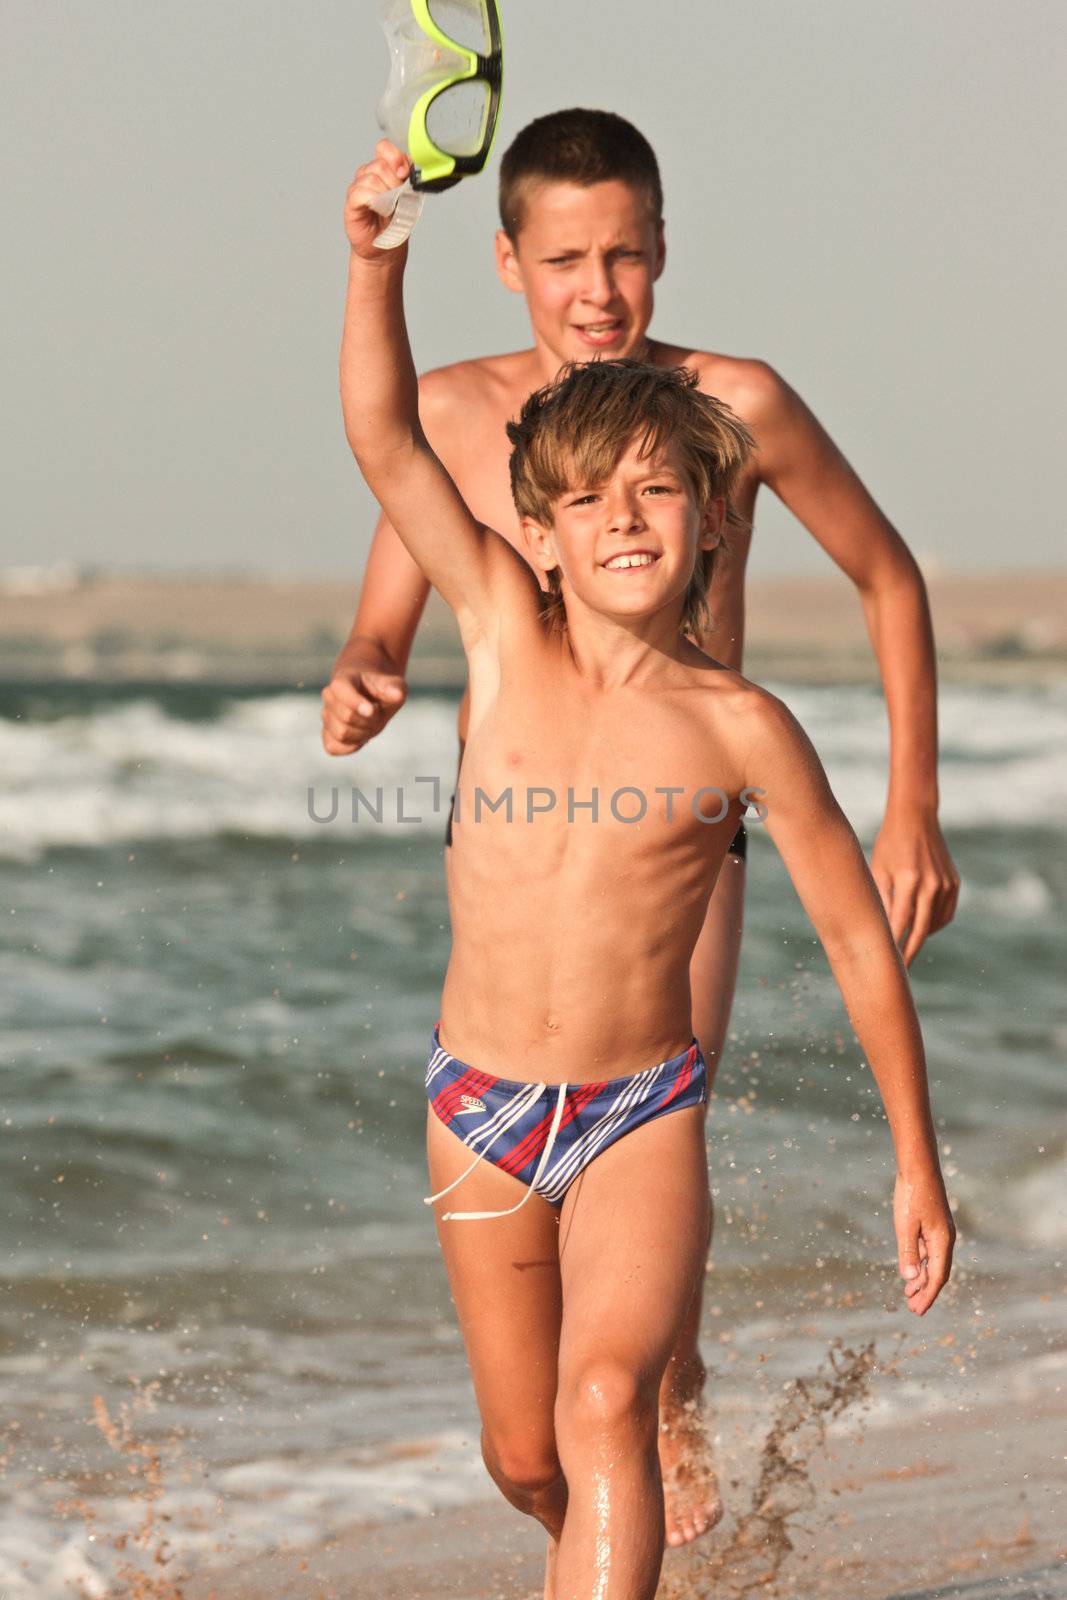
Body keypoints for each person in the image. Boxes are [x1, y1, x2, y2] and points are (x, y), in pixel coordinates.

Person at [326, 109, 960, 1547]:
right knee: (529, 1450)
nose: (598, 287)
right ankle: (602, 1462)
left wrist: (910, 801)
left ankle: (653, 1365)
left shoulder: (727, 420)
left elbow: (888, 582)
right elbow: (386, 492)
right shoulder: (475, 470)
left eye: (626, 254)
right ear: (509, 262)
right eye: (567, 258)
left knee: (612, 1335)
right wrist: (366, 664)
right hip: (522, 821)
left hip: (692, 811)